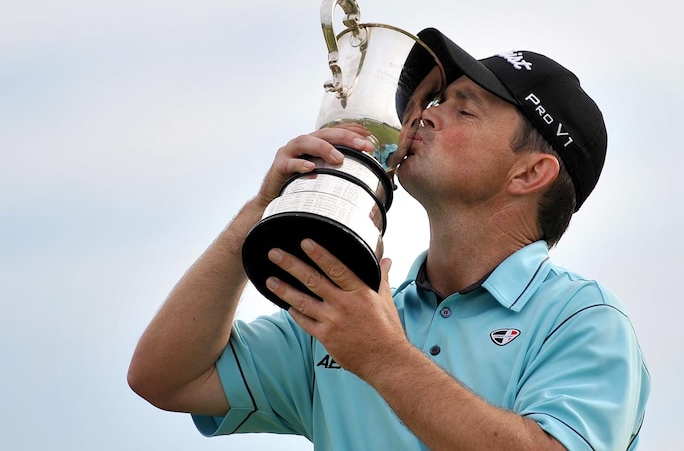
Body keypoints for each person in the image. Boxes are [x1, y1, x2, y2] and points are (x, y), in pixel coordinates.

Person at [128, 27, 651, 451]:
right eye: (435, 99)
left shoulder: (584, 320)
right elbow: (165, 377)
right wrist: (261, 212)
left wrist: (380, 355)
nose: (422, 113)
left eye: (463, 108)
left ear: (529, 173)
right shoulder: (350, 312)